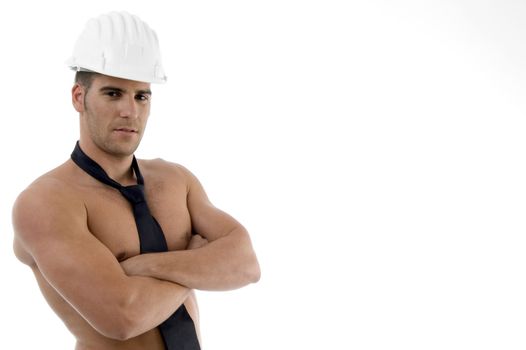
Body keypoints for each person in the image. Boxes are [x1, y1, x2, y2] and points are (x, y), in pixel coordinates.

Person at [12, 11, 260, 350]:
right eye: (113, 93)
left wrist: (147, 265)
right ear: (78, 97)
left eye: (141, 96)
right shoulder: (46, 202)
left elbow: (246, 264)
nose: (130, 111)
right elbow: (122, 317)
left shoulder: (176, 179)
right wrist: (197, 264)